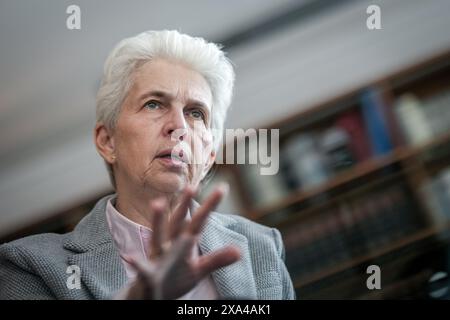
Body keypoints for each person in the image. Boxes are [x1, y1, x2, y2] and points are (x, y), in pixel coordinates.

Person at [0, 30, 295, 300]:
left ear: (208, 157)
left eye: (195, 113)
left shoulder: (261, 246)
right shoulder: (29, 266)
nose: (179, 127)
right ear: (107, 141)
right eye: (154, 104)